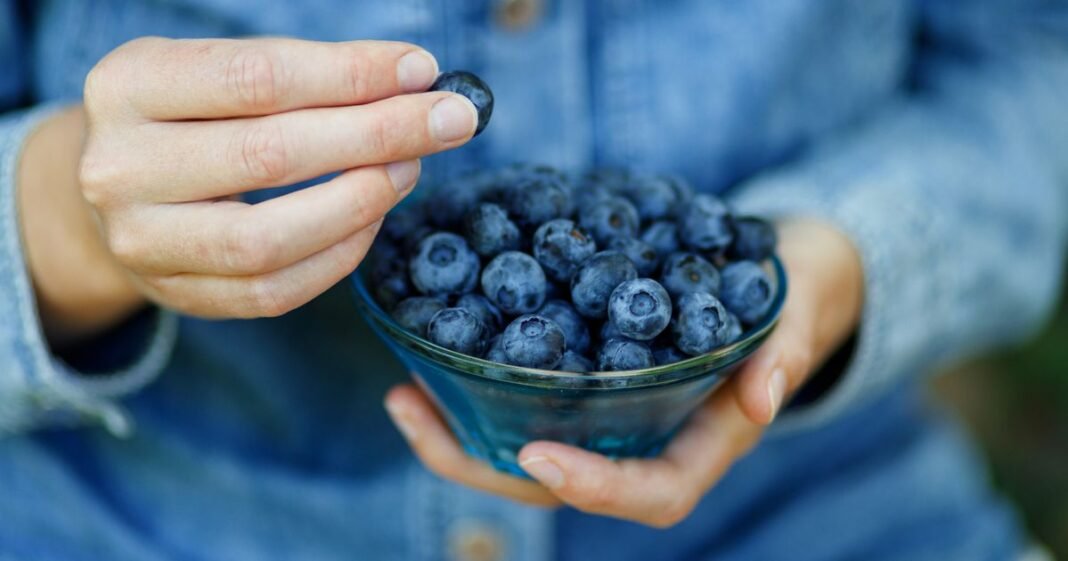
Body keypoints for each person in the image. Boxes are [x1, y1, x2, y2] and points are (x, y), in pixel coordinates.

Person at [1, 1, 1065, 559]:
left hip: (811, 518)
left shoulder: (651, 291)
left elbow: (1032, 75)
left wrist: (836, 259)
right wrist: (69, 217)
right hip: (155, 524)